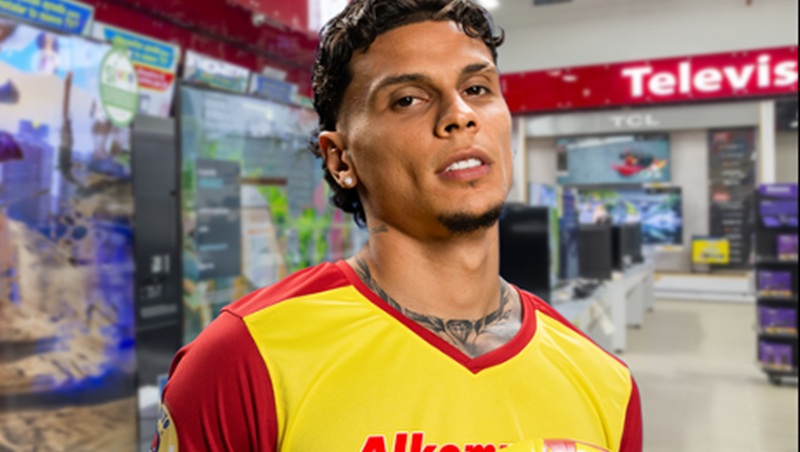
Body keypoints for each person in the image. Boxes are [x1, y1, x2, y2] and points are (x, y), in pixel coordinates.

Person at [153, 1, 642, 451]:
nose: (460, 116)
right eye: (408, 99)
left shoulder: (605, 383)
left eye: (476, 89)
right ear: (341, 159)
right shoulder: (245, 358)